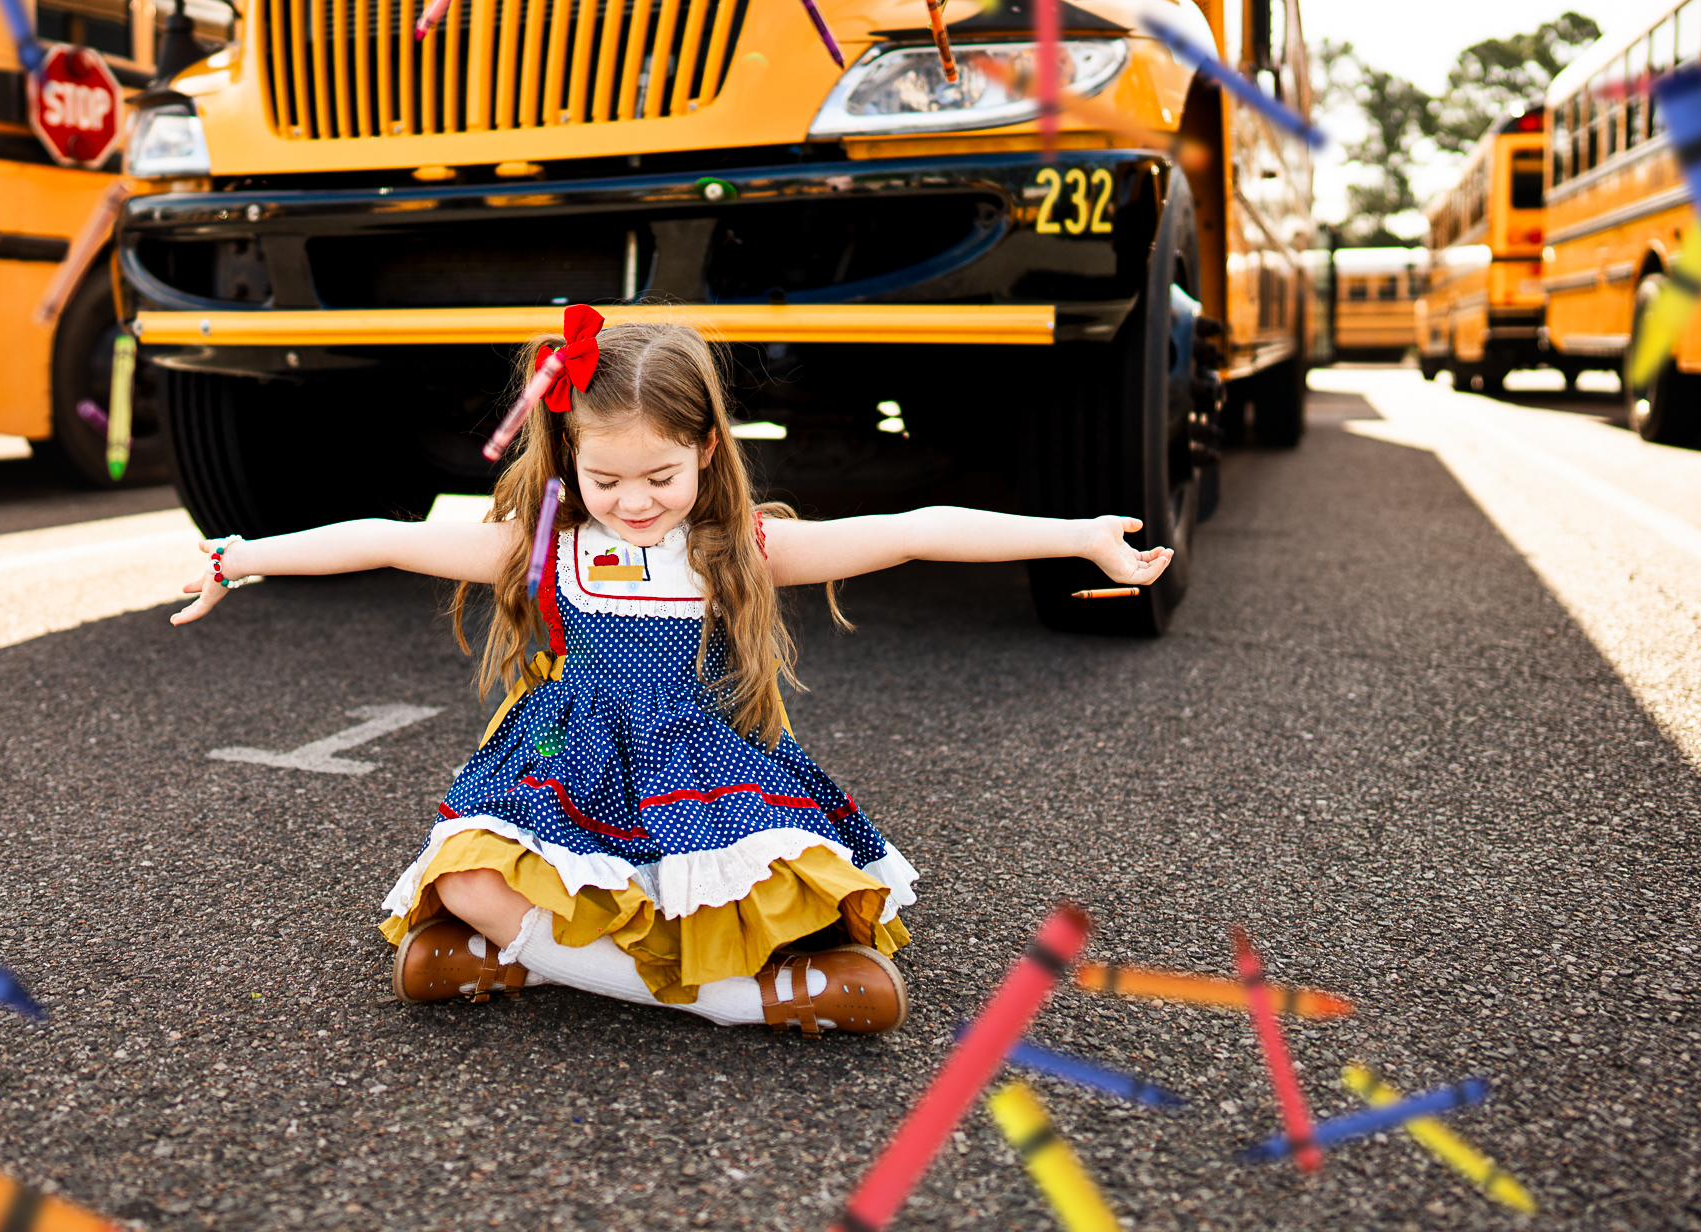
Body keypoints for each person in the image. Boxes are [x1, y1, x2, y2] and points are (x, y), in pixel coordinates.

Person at [171, 306, 1170, 1036]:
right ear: (568, 459)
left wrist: (1079, 535)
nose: (635, 501)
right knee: (473, 878)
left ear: (706, 449)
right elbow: (384, 539)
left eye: (662, 476)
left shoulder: (737, 546)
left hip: (701, 764)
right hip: (561, 751)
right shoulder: (541, 543)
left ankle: (534, 968)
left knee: (781, 898)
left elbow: (911, 531)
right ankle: (749, 1004)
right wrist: (238, 553)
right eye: (605, 480)